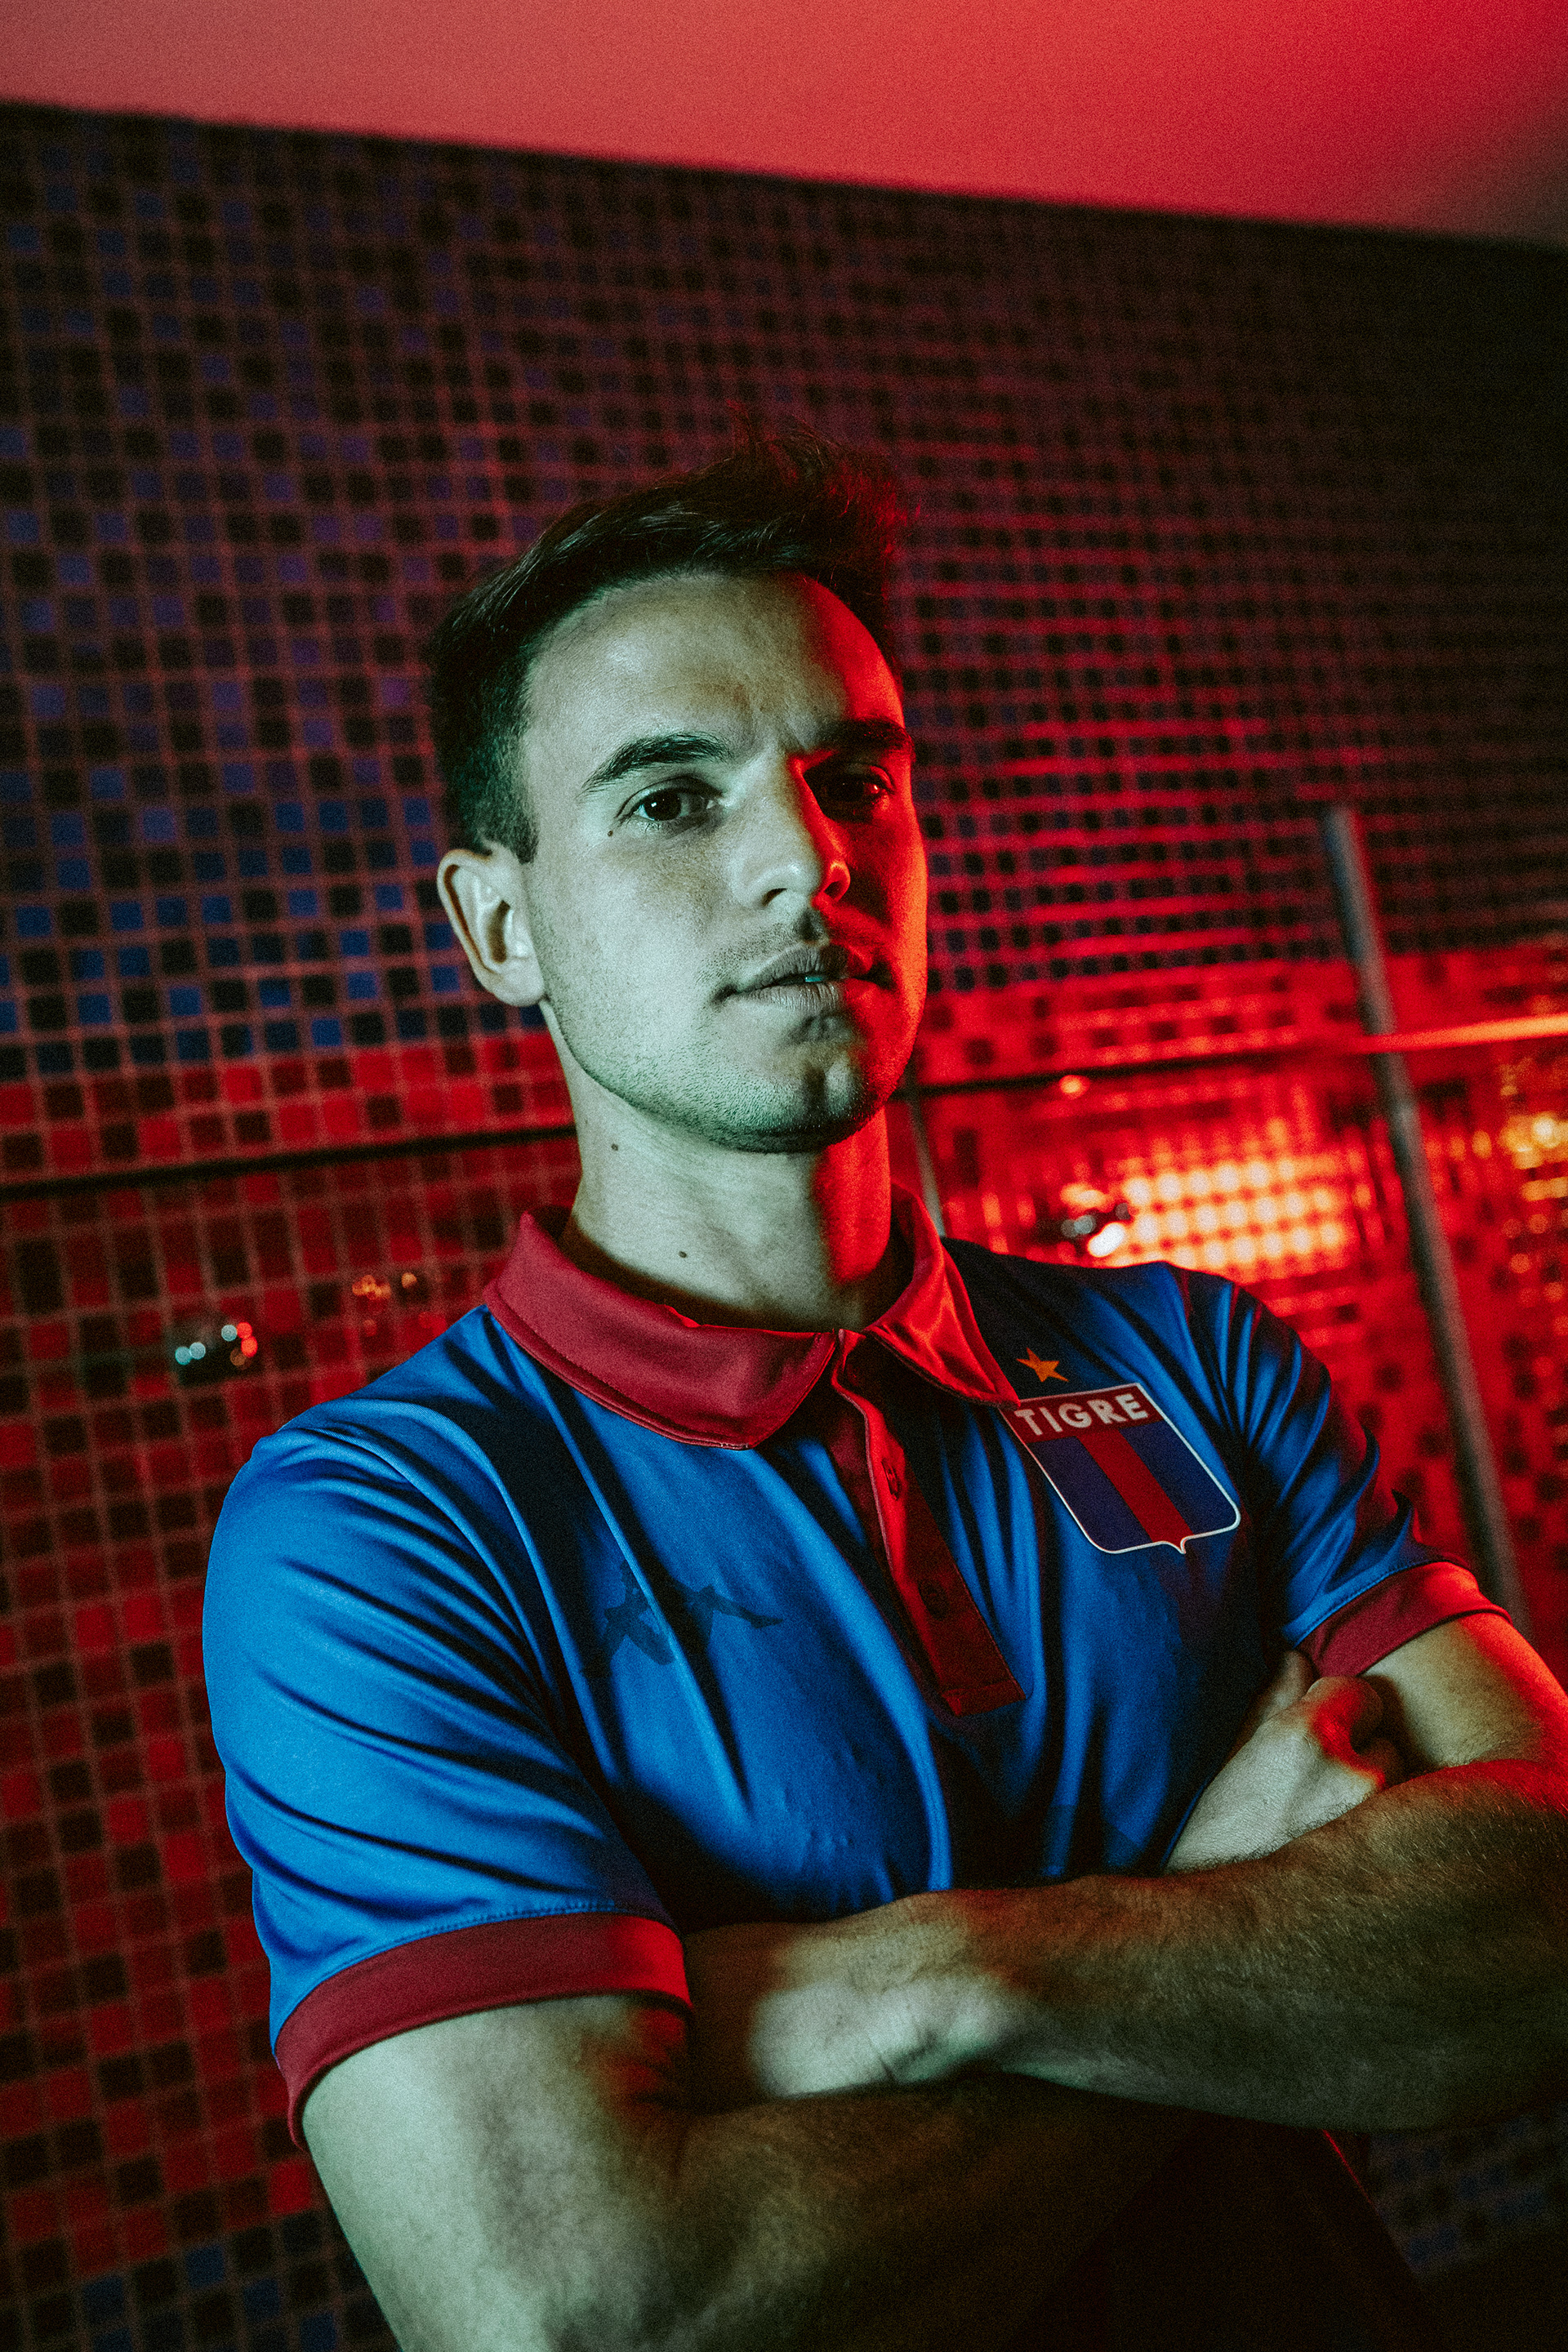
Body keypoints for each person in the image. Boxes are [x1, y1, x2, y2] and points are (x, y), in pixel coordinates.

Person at [204, 430, 1568, 2351]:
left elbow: (1543, 1922)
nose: (807, 859)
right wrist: (1224, 1897)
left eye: (854, 780)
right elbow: (584, 2313)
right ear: (501, 925)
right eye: (672, 798)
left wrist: (932, 1978)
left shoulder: (1187, 1356)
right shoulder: (384, 1532)